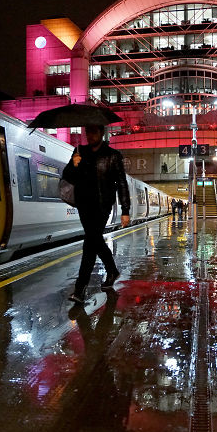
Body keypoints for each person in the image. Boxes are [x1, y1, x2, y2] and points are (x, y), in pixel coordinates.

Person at [62, 124, 130, 303]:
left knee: (90, 243)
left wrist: (125, 210)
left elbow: (122, 183)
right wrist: (73, 165)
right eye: (87, 131)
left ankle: (80, 289)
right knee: (95, 240)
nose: (90, 134)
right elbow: (68, 176)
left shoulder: (113, 156)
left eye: (93, 131)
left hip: (102, 205)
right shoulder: (79, 151)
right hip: (84, 205)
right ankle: (112, 270)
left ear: (101, 133)